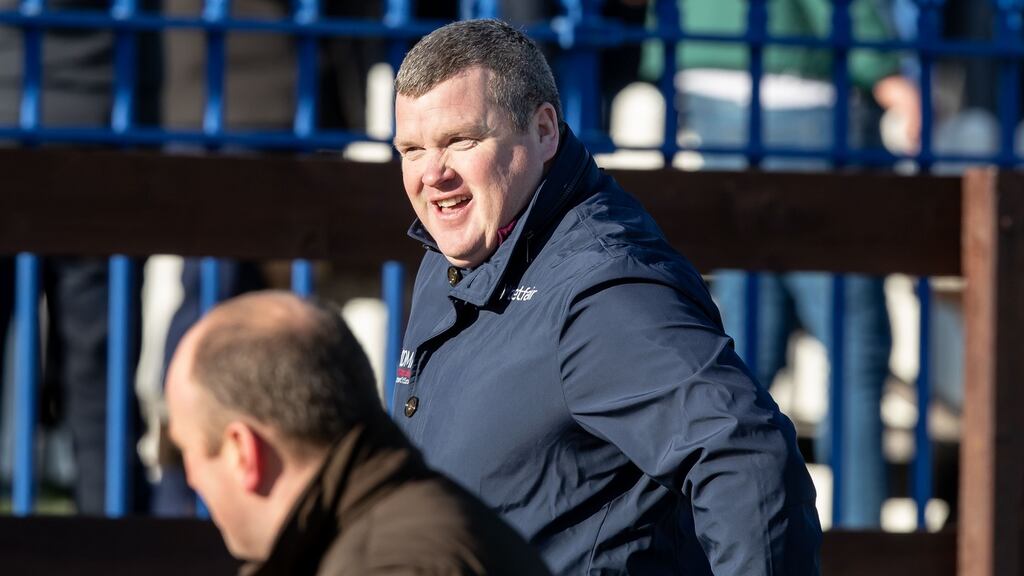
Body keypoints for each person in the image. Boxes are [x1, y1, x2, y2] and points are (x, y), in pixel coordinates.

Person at [391, 19, 821, 575]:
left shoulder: (600, 287)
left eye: (461, 140)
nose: (433, 174)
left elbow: (747, 457)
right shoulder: (460, 245)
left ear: (544, 130)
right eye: (411, 149)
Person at [641, 0, 921, 528]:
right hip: (802, 89)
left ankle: (728, 532)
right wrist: (886, 74)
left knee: (748, 342)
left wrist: (665, 52)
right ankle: (857, 545)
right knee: (854, 343)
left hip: (707, 72)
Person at [164, 290, 553, 575]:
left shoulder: (395, 563)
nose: (191, 477)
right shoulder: (389, 525)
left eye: (184, 451)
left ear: (242, 453)